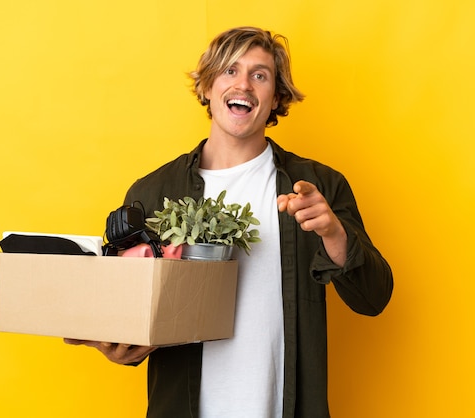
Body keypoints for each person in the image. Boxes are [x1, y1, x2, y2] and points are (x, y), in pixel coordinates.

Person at [65, 26, 393, 418]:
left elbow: (375, 297)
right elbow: (129, 311)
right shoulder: (152, 193)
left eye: (260, 75)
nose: (244, 85)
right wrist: (118, 344)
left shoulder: (319, 187)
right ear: (206, 87)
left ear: (276, 98)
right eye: (229, 71)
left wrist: (333, 233)